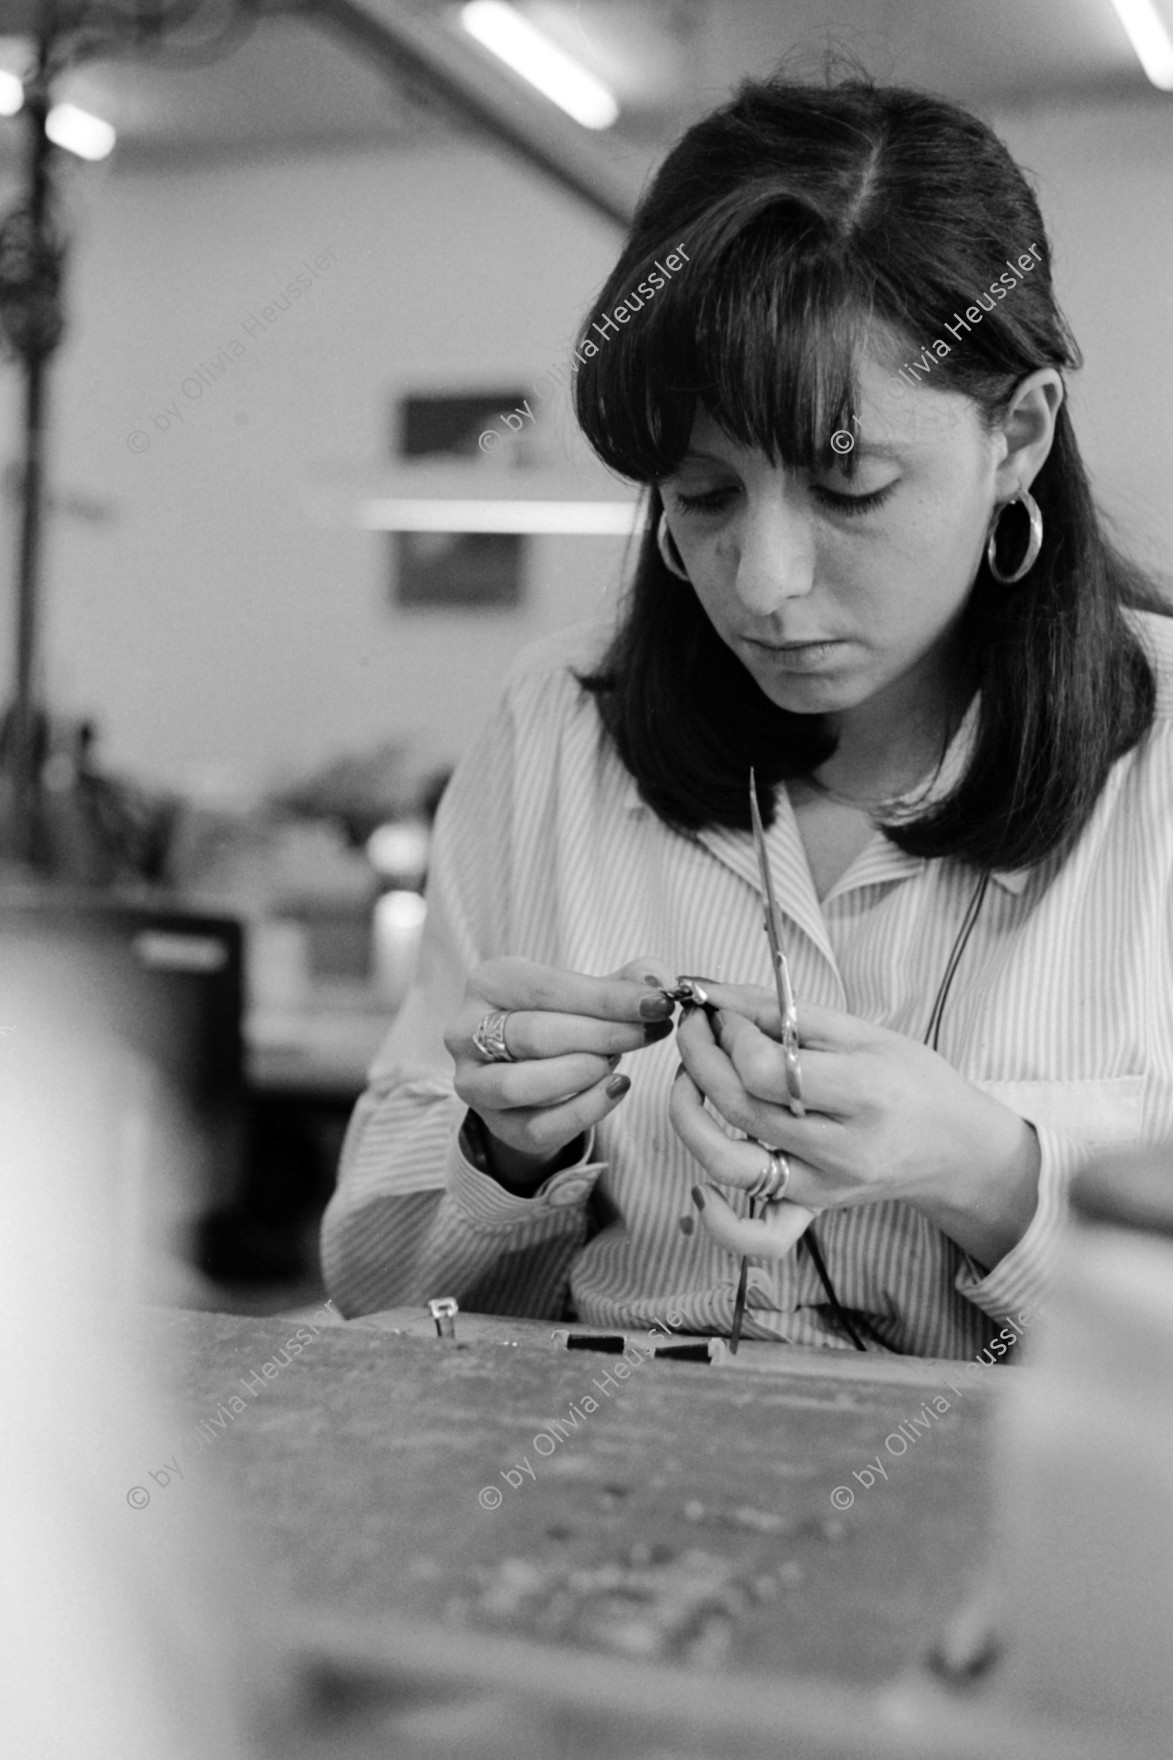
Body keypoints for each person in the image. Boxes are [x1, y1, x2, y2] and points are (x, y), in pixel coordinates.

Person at [321, 72, 1173, 1357]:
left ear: (1020, 433)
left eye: (851, 488)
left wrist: (994, 1171)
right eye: (703, 494)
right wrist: (502, 1154)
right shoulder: (558, 726)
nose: (764, 586)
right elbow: (382, 1297)